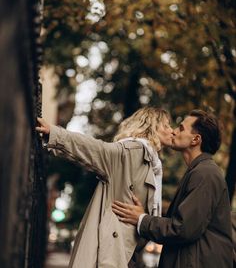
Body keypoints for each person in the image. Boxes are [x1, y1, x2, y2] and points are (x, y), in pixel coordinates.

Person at [36, 107, 173, 268]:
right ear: (151, 127)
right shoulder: (133, 151)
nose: (172, 130)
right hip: (112, 249)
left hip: (128, 250)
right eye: (166, 125)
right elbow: (96, 149)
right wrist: (54, 133)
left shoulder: (152, 164)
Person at [112, 109, 233, 268]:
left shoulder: (205, 174)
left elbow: (182, 229)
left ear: (196, 139)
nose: (174, 131)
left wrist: (142, 219)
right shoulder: (199, 171)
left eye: (181, 128)